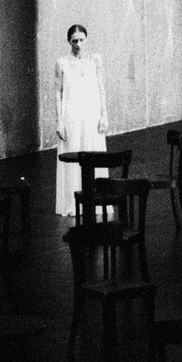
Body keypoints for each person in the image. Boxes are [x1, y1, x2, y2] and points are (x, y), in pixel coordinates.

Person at [55, 24, 109, 218]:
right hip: (71, 115)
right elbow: (58, 92)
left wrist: (104, 115)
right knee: (74, 154)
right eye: (74, 40)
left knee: (93, 153)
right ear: (69, 41)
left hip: (92, 115)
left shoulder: (96, 60)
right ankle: (72, 202)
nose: (78, 44)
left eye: (81, 40)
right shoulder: (61, 63)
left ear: (87, 39)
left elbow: (101, 88)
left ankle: (97, 200)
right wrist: (59, 120)